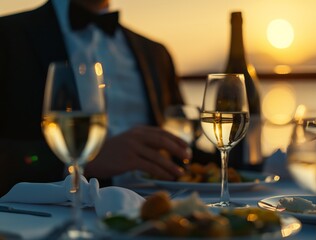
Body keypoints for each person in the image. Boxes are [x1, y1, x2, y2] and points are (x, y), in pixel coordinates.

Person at [0, 0, 262, 196]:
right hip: (50, 221)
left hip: (159, 216)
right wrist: (83, 161)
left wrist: (265, 164)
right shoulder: (9, 36)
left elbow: (180, 151)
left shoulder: (155, 53)